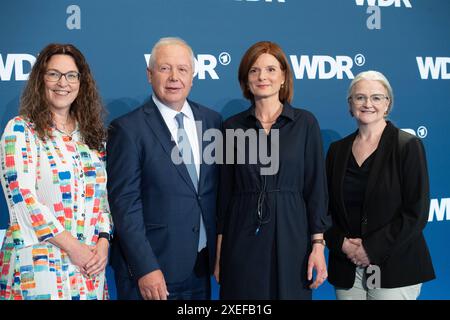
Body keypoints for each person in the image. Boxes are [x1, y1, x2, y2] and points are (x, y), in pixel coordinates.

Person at [107, 37, 222, 300]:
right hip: (152, 272)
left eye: (182, 69)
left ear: (192, 76)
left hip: (200, 267)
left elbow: (213, 191)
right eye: (164, 68)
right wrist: (145, 267)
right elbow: (124, 204)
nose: (174, 77)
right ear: (149, 74)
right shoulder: (127, 129)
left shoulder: (212, 121)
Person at [215, 41, 330, 299]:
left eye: (270, 69)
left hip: (293, 234)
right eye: (254, 71)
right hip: (242, 233)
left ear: (283, 77)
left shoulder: (305, 123)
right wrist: (220, 252)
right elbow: (225, 194)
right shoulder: (231, 127)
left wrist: (318, 246)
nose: (262, 76)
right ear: (246, 80)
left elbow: (316, 190)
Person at [0, 43, 112, 300]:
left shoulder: (92, 137)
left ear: (81, 83)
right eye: (54, 74)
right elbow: (23, 201)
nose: (63, 83)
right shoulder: (20, 131)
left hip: (89, 269)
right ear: (40, 79)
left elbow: (104, 201)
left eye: (71, 75)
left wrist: (103, 244)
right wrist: (75, 249)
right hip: (38, 268)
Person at [324, 70, 435, 300]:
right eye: (360, 97)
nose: (367, 104)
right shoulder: (337, 150)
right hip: (348, 267)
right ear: (350, 104)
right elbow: (324, 209)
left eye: (376, 97)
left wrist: (370, 250)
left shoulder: (407, 146)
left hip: (394, 265)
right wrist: (343, 244)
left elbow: (417, 213)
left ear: (387, 104)